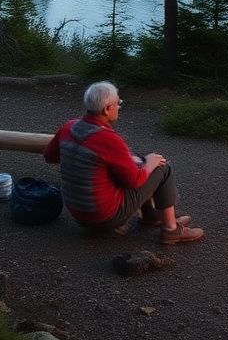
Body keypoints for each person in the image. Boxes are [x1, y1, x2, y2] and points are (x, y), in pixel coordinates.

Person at [44, 80, 204, 245]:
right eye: (118, 103)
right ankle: (171, 230)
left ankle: (151, 216)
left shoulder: (69, 127)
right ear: (107, 109)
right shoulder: (108, 139)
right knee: (162, 166)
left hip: (80, 213)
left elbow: (50, 157)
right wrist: (150, 162)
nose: (119, 107)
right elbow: (135, 181)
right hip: (103, 217)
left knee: (138, 159)